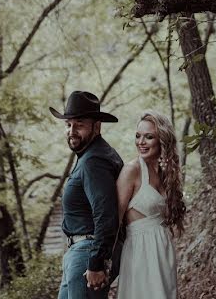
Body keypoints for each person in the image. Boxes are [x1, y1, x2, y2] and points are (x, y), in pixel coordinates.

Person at [51, 90, 124, 299]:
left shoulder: (94, 161)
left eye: (79, 124)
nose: (72, 130)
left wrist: (95, 262)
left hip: (87, 254)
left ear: (97, 126)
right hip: (79, 253)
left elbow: (105, 213)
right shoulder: (90, 155)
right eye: (68, 125)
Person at [115, 110, 186, 299]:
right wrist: (102, 260)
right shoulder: (132, 170)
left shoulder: (165, 173)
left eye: (148, 137)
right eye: (138, 136)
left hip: (163, 250)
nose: (141, 142)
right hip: (140, 251)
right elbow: (114, 220)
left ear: (162, 139)